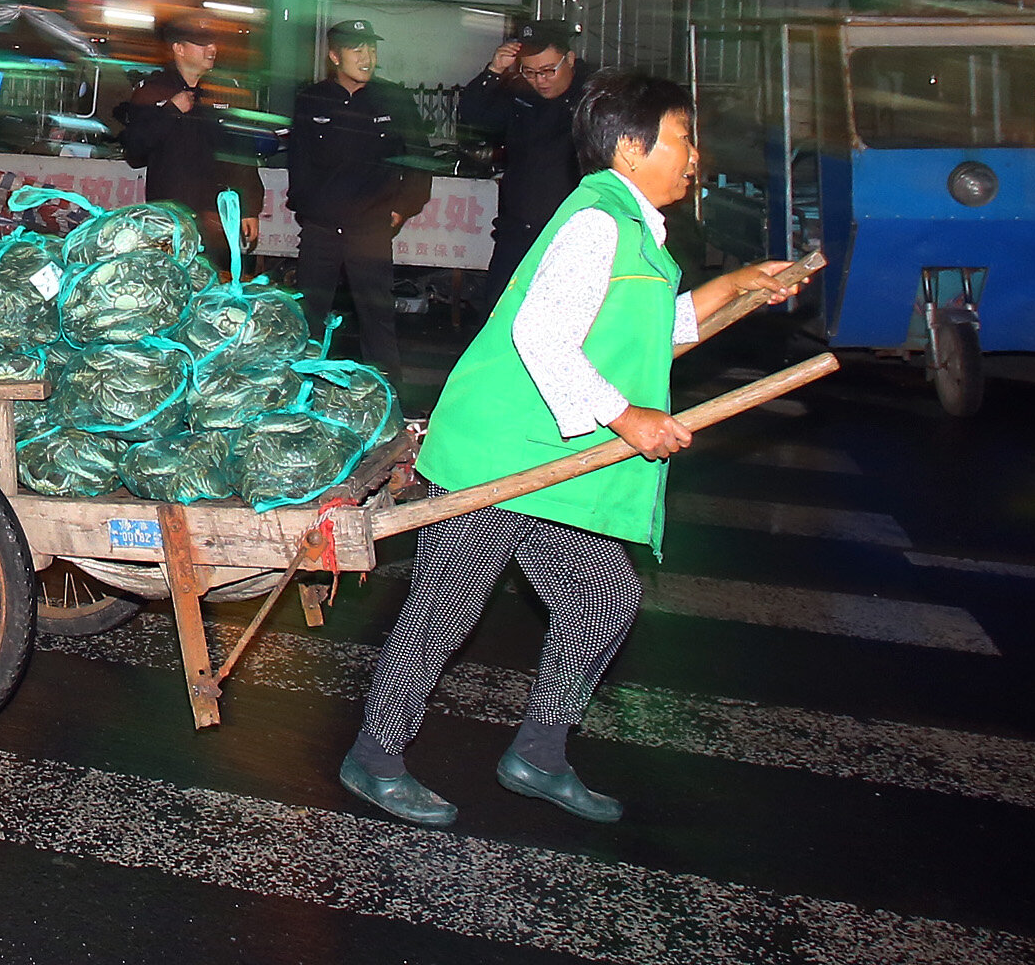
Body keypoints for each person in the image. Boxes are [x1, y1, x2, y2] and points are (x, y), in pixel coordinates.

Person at [337, 72, 807, 829]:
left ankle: (539, 756)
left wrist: (737, 287)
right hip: (499, 450)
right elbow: (542, 335)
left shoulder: (634, 229)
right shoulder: (596, 222)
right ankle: (375, 757)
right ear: (631, 148)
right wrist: (627, 417)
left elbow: (651, 334)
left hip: (544, 458)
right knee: (445, 607)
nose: (695, 156)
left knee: (604, 600)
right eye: (683, 138)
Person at [287, 20, 427, 382]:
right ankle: (301, 393)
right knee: (309, 316)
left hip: (370, 229)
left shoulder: (393, 98)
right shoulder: (312, 99)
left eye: (372, 50)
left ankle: (386, 396)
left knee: (377, 318)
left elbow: (418, 157)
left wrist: (404, 206)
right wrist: (307, 209)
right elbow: (299, 160)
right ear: (335, 57)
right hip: (321, 228)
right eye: (357, 50)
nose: (367, 58)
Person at [454, 20, 596, 333]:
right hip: (517, 232)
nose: (540, 81)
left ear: (570, 60)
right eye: (530, 72)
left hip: (572, 235)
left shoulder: (595, 98)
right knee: (498, 319)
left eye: (548, 71)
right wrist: (494, 71)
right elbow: (473, 120)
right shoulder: (519, 93)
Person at [114, 13, 239, 224]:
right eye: (202, 44)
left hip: (217, 216)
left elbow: (239, 153)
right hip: (171, 217)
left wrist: (250, 207)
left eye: (213, 43)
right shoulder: (152, 92)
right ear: (179, 49)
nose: (212, 49)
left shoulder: (221, 93)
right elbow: (135, 152)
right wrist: (170, 111)